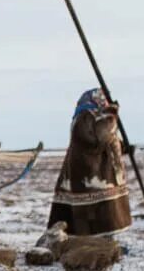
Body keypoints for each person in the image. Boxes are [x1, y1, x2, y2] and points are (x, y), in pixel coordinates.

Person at [49, 88, 133, 235]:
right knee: (96, 220)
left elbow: (108, 141)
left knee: (106, 218)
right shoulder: (84, 117)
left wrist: (123, 147)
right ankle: (98, 244)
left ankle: (106, 243)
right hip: (91, 179)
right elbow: (99, 138)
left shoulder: (94, 117)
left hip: (100, 178)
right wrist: (111, 114)